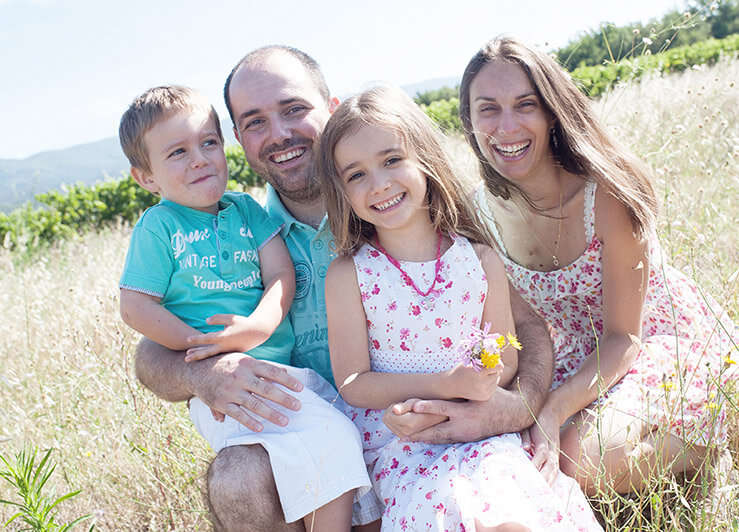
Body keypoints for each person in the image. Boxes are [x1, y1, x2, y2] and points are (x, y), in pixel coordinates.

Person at [133, 45, 554, 531]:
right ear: (238, 140)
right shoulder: (239, 234)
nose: (279, 134)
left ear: (331, 109)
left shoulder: (402, 207)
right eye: (255, 122)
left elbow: (520, 326)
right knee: (237, 476)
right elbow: (152, 354)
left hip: (427, 426)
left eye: (294, 109)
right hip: (316, 442)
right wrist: (202, 377)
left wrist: (514, 408)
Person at [458, 36, 739, 495]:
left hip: (650, 339)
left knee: (582, 461)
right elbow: (517, 330)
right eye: (488, 108)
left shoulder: (605, 194)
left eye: (525, 104)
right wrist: (522, 403)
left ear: (552, 112)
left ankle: (710, 448)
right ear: (469, 122)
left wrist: (552, 410)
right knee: (513, 458)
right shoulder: (476, 215)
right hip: (571, 355)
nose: (506, 126)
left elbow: (622, 338)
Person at [318, 85, 601, 531]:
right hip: (403, 440)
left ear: (425, 160)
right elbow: (353, 383)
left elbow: (506, 358)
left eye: (392, 160)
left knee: (509, 508)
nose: (380, 184)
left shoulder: (478, 260)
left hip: (482, 428)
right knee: (445, 505)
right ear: (342, 190)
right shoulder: (349, 273)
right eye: (356, 175)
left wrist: (477, 382)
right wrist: (443, 385)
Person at [117, 85, 371, 531]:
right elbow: (136, 306)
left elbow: (280, 277)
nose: (199, 159)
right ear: (146, 178)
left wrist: (255, 328)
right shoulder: (158, 227)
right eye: (177, 152)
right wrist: (204, 348)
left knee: (326, 448)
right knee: (328, 441)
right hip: (230, 381)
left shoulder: (246, 212)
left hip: (282, 372)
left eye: (208, 143)